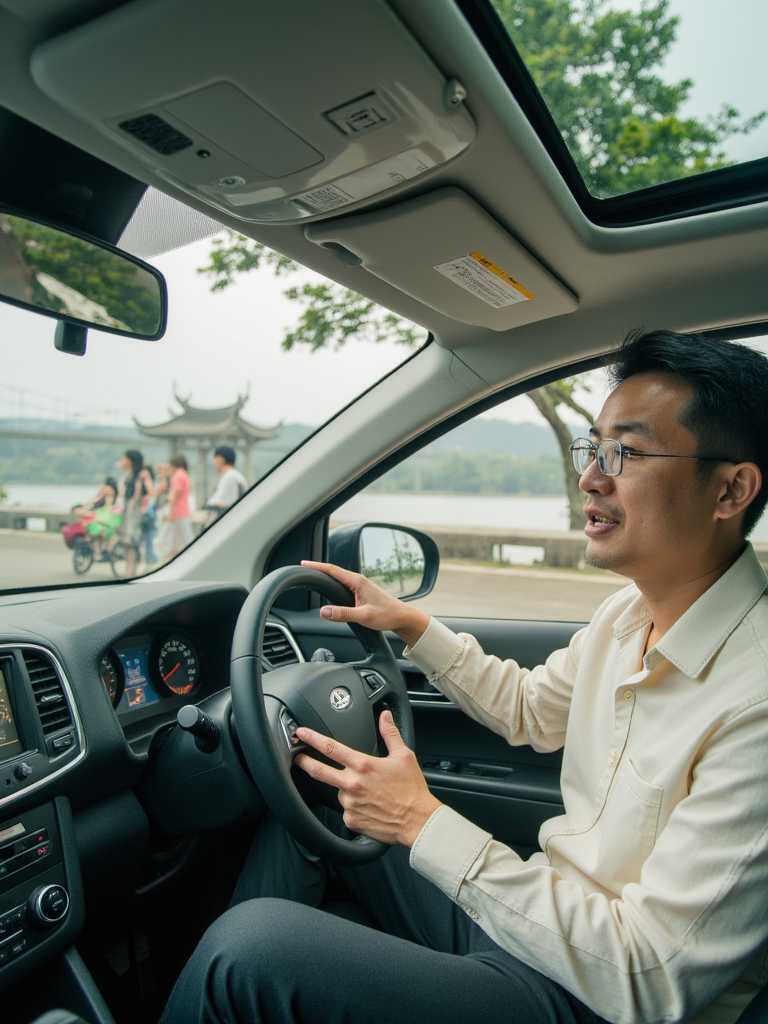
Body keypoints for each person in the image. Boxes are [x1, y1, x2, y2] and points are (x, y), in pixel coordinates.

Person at [161, 330, 768, 1024]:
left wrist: (421, 820)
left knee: (246, 953)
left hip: (597, 998)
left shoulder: (756, 702)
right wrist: (410, 627)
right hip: (546, 928)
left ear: (730, 490)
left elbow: (649, 976)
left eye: (624, 453)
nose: (592, 477)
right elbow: (531, 711)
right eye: (592, 448)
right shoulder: (626, 615)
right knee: (323, 797)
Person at [118, 449, 154, 577]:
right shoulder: (129, 475)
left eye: (124, 458)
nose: (121, 461)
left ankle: (130, 571)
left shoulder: (142, 474)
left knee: (132, 541)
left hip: (135, 513)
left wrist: (142, 503)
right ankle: (129, 569)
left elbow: (152, 493)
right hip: (127, 511)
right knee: (127, 542)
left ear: (130, 460)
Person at [156, 453, 193, 561]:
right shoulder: (184, 474)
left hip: (178, 512)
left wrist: (170, 512)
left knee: (186, 540)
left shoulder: (178, 475)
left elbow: (174, 495)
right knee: (177, 541)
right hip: (182, 512)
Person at [203, 444, 248, 518]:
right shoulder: (233, 475)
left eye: (215, 458)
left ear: (220, 459)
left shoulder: (230, 477)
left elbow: (224, 501)